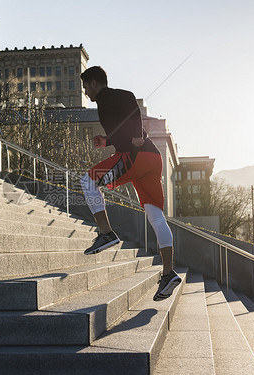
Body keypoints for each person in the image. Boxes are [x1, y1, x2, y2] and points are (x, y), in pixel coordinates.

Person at [79, 66, 181, 301]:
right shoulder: (110, 100)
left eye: (86, 87)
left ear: (94, 83)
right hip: (152, 159)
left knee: (88, 180)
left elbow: (129, 104)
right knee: (156, 217)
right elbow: (126, 119)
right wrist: (109, 140)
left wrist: (135, 134)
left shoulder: (106, 98)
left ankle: (106, 232)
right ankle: (168, 273)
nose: (86, 93)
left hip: (136, 156)